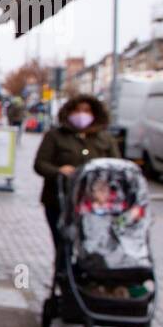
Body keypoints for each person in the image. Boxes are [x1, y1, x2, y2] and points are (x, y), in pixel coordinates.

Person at [33, 94, 120, 244]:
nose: (82, 115)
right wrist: (59, 171)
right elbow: (40, 164)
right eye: (77, 110)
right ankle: (63, 267)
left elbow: (116, 166)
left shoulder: (105, 139)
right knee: (62, 243)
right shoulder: (55, 136)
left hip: (94, 203)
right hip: (59, 201)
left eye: (87, 111)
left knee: (89, 245)